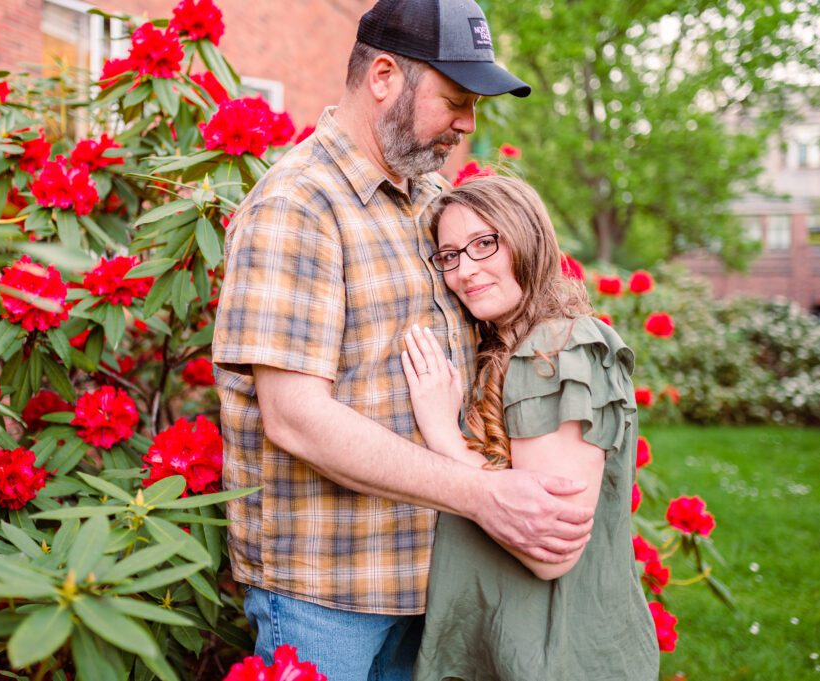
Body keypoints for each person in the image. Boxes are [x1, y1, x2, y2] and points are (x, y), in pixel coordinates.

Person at [212, 1, 597, 678]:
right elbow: (295, 416)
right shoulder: (297, 206)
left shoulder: (431, 199)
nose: (468, 124)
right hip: (326, 595)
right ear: (384, 76)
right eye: (455, 100)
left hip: (426, 578)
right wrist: (482, 493)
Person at [400, 175, 659, 680]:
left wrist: (442, 434)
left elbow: (550, 551)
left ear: (527, 237)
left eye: (483, 244)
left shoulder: (556, 350)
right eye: (449, 255)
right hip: (523, 648)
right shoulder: (517, 349)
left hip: (561, 655)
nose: (464, 271)